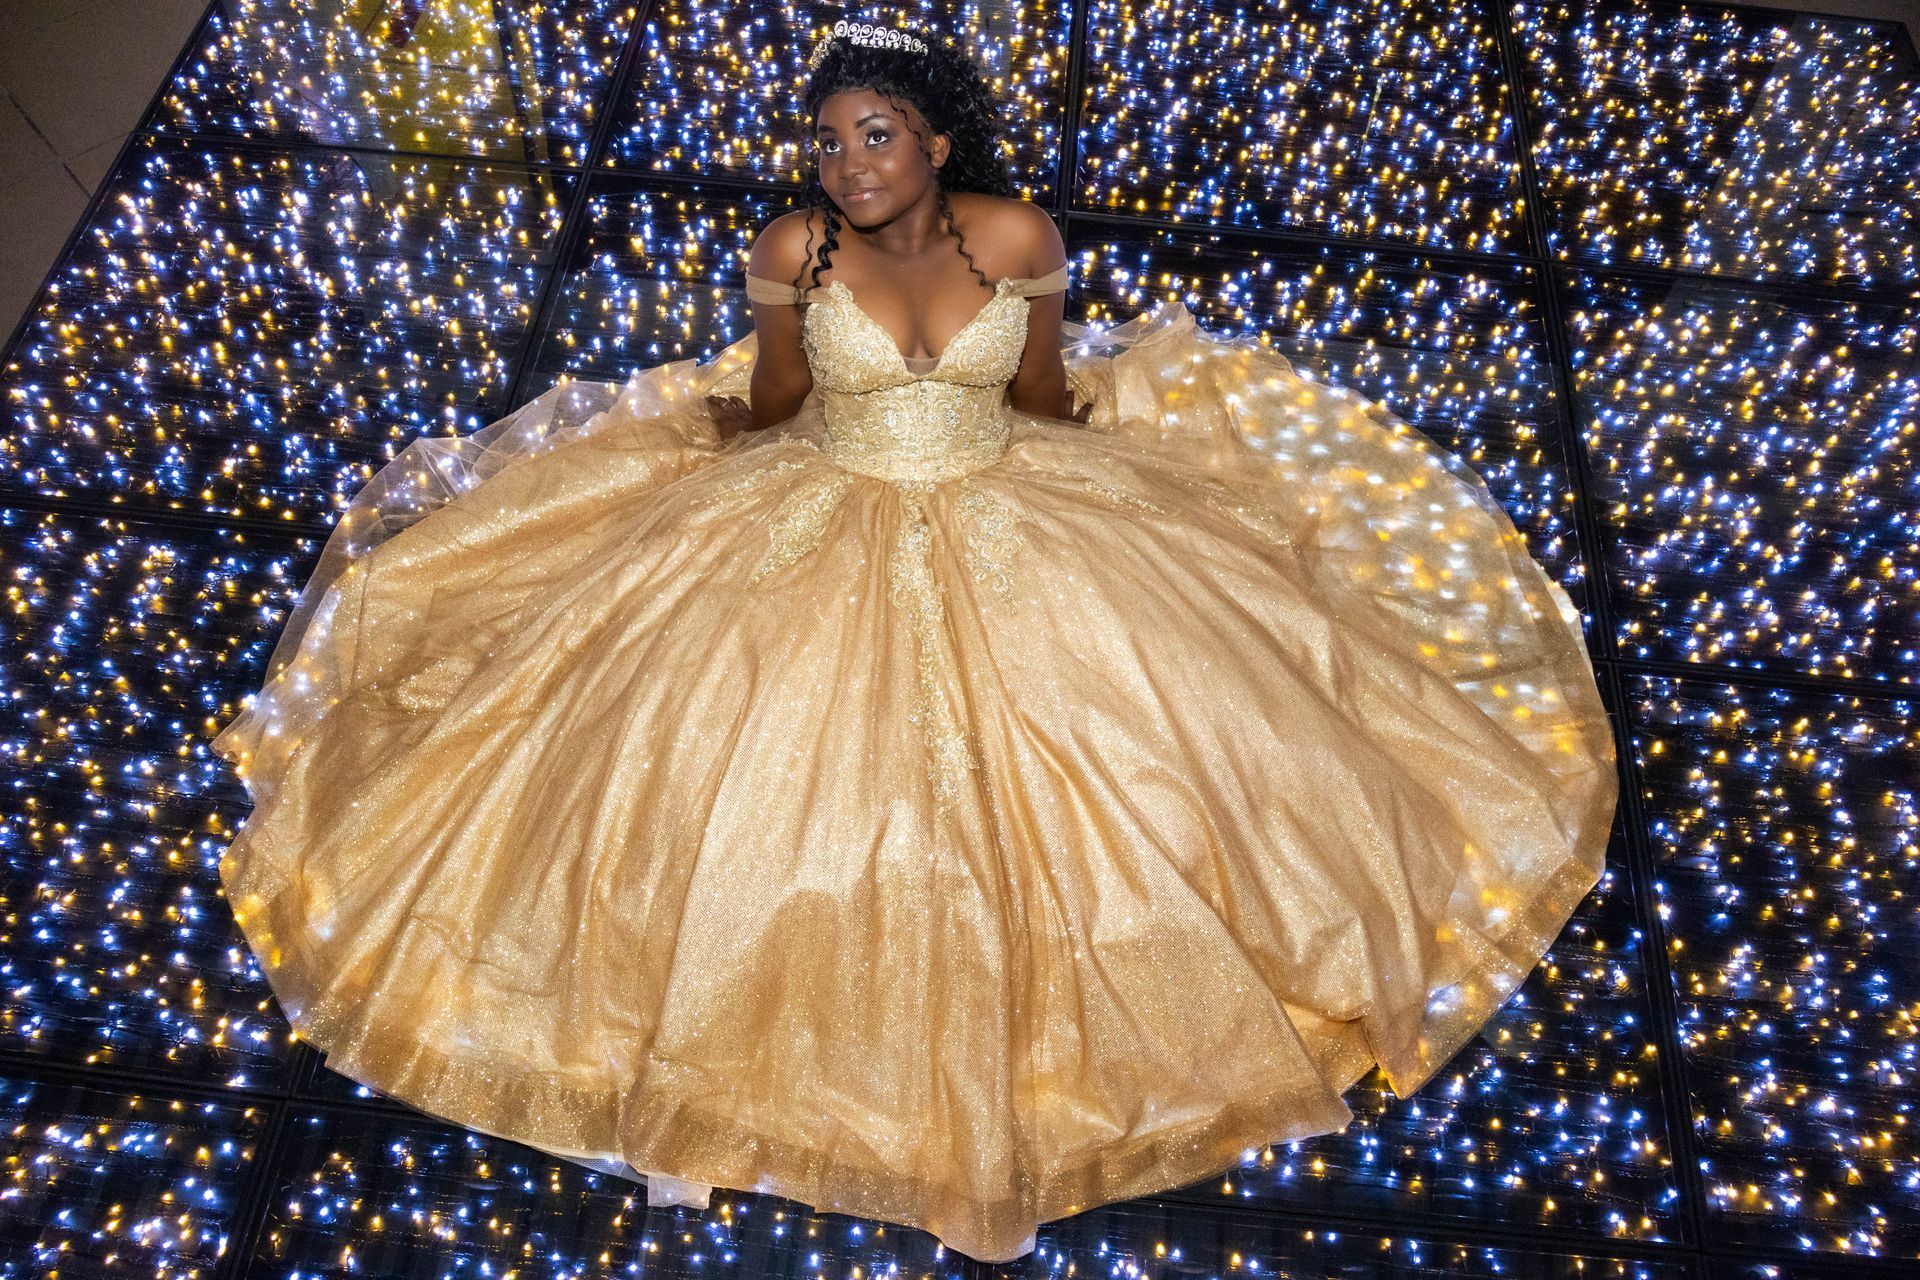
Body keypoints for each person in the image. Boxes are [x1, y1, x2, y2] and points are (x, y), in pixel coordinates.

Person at [208, 15, 1618, 1265]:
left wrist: (1133, 478)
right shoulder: (790, 251)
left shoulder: (1015, 240)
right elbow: (770, 401)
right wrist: (718, 459)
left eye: (876, 134)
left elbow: (1050, 392)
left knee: (1185, 734)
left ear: (938, 138)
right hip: (818, 508)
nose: (848, 162)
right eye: (827, 140)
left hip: (1017, 502)